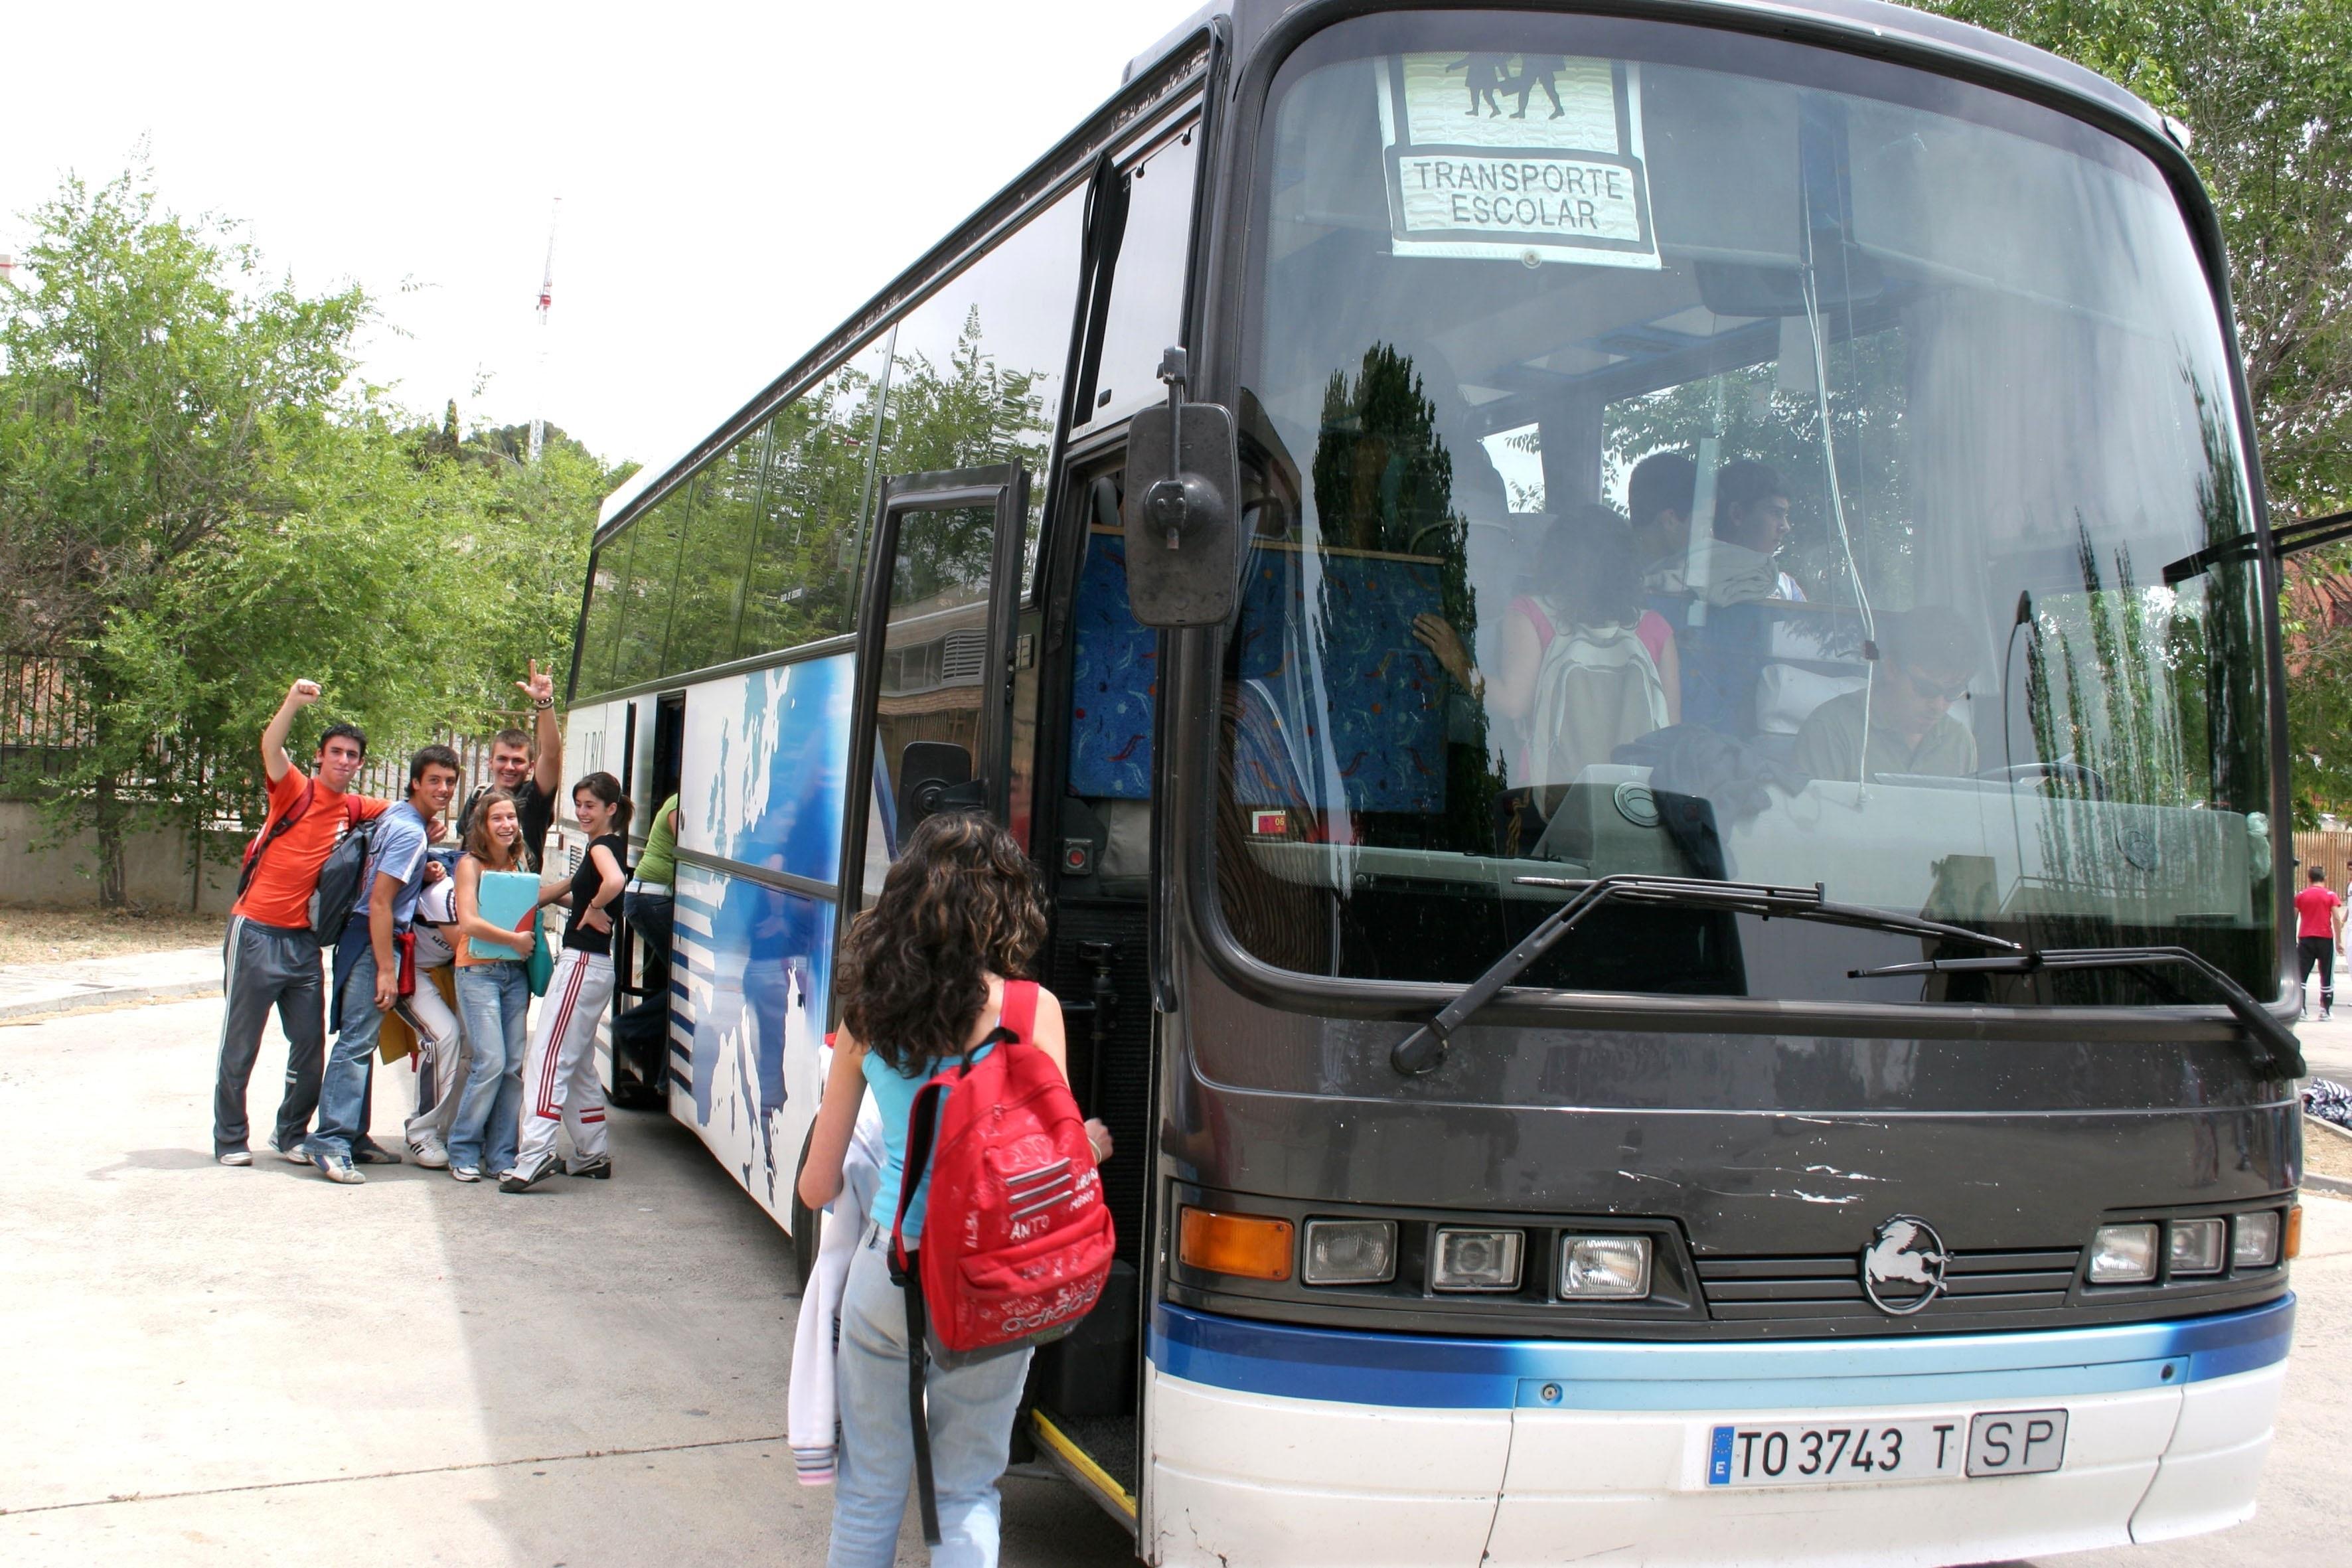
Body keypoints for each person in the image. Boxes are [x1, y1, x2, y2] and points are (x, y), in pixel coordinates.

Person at [797, 813, 1113, 1568]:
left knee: (870, 1489)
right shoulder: (1035, 1012)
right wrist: (1092, 1144)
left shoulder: (867, 1014)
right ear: (1006, 909)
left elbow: (815, 1187)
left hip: (889, 1272)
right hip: (990, 1284)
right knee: (967, 1491)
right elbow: (1053, 1167)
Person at [212, 680, 392, 1167]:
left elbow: (405, 816)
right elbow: (270, 747)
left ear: (359, 764)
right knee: (240, 1045)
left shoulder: (355, 808)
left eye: (353, 755)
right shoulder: (293, 789)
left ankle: (290, 1133)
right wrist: (292, 702)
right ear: (320, 756)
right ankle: (230, 1139)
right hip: (254, 932)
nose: (344, 761)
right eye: (336, 752)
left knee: (311, 1048)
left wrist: (433, 834)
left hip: (303, 944)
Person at [1414, 504, 1674, 795]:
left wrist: (1458, 661)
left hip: (1553, 796)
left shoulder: (1530, 612)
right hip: (1632, 800)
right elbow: (1670, 731)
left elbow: (1513, 703)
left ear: (1556, 557)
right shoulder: (1656, 628)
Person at [306, 745, 461, 1184]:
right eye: (434, 780)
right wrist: (385, 967)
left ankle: (353, 1137)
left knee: (362, 1041)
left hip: (365, 938)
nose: (443, 789)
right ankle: (331, 1142)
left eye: (449, 782)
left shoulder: (399, 817)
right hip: (374, 938)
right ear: (415, 782)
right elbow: (379, 902)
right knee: (355, 1043)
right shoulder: (410, 832)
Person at [503, 773, 630, 1192]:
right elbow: (585, 889)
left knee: (548, 1059)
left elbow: (614, 884)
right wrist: (547, 896)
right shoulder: (610, 846)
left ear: (611, 809)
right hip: (596, 967)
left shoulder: (599, 848)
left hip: (581, 964)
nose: (582, 812)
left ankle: (533, 1156)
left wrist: (592, 908)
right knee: (575, 1063)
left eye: (590, 805)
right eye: (578, 804)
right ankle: (591, 1153)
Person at [445, 791, 535, 1183]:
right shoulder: (470, 864)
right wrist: (514, 941)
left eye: (511, 817)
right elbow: (468, 922)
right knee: (491, 1062)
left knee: (513, 1067)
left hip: (514, 975)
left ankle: (502, 1155)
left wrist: (574, 885)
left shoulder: (519, 862)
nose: (507, 825)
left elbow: (529, 904)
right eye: (497, 818)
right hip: (478, 973)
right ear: (482, 825)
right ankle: (463, 1148)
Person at [1792, 605, 1979, 781]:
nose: (1939, 707)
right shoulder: (1830, 730)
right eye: (1927, 689)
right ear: (1891, 669)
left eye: (1953, 692)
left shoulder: (1959, 742)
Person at [394, 851, 468, 1168]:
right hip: (407, 971)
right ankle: (421, 1131)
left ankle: (453, 1130)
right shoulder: (443, 893)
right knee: (444, 1037)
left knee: (470, 1046)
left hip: (443, 973)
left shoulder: (491, 887)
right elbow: (467, 946)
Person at [455, 660, 564, 871]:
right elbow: (463, 849)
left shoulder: (535, 797)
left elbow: (551, 754)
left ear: (531, 766)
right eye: (503, 759)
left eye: (518, 761)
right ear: (490, 762)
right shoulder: (479, 795)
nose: (510, 767)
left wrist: (545, 704)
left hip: (518, 897)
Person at [610, 791, 680, 1088]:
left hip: (652, 899)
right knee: (685, 987)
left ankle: (663, 1075)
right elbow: (689, 850)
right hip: (651, 899)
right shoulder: (679, 803)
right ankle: (629, 1027)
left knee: (680, 985)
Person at [2294, 865, 2343, 1022]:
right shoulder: (2330, 895)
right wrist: (2339, 941)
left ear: (2309, 878)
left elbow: (2293, 916)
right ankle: (2325, 1010)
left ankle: (2301, 1009)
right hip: (2325, 939)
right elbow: (2336, 917)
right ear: (2324, 878)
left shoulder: (2301, 895)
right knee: (2326, 974)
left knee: (2302, 975)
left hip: (2305, 939)